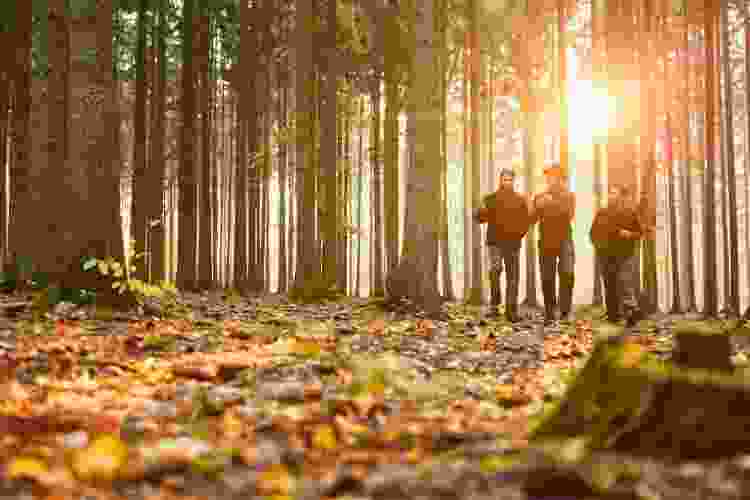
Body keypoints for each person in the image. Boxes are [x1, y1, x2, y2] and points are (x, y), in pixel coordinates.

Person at [473, 168, 533, 322]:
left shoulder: (520, 200)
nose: (507, 182)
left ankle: (511, 311)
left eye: (510, 179)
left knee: (513, 277)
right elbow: (480, 219)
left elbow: (527, 221)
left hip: (513, 244)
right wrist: (479, 210)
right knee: (495, 271)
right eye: (504, 179)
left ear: (513, 181)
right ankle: (494, 307)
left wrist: (519, 234)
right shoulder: (490, 199)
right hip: (494, 243)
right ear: (500, 180)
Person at [590, 183, 644, 325]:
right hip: (605, 255)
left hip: (624, 255)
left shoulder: (630, 213)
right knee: (609, 285)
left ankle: (631, 312)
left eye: (615, 193)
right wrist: (598, 246)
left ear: (622, 196)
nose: (612, 195)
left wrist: (629, 234)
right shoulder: (602, 212)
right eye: (611, 193)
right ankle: (613, 317)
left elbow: (639, 233)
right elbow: (593, 233)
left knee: (624, 283)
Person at [530, 163, 576, 324]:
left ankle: (565, 312)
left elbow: (569, 214)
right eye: (547, 176)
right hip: (546, 241)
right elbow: (532, 218)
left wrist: (550, 203)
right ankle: (549, 312)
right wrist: (534, 206)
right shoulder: (539, 196)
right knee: (547, 277)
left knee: (567, 275)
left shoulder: (569, 196)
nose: (548, 179)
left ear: (560, 179)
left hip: (565, 240)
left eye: (552, 176)